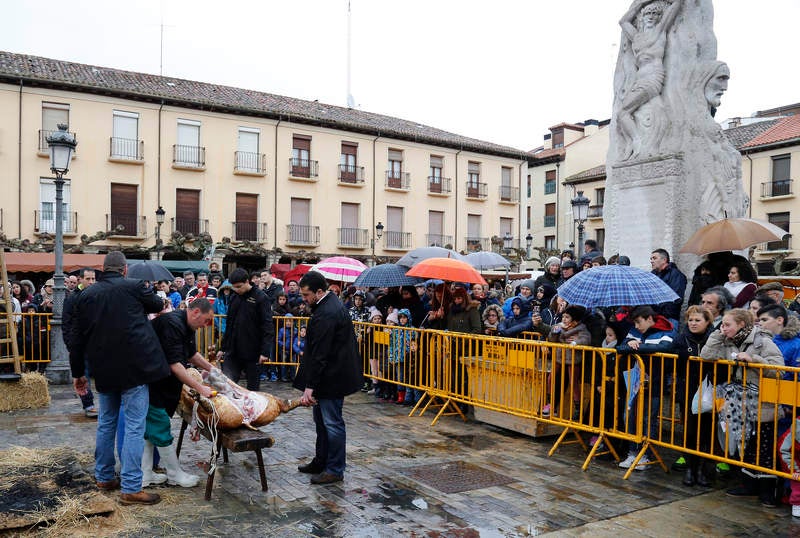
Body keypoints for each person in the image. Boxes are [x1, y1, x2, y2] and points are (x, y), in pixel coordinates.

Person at [69, 251, 169, 506]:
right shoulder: (133, 286)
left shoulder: (85, 295)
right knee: (135, 426)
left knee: (106, 422)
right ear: (124, 270)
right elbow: (158, 306)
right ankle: (131, 487)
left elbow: (76, 339)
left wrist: (78, 373)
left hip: (103, 369)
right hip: (134, 368)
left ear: (103, 270)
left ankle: (103, 476)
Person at [700, 308, 783, 507]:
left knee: (764, 447)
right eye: (723, 324)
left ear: (741, 325)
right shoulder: (727, 341)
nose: (723, 328)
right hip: (740, 401)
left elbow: (779, 369)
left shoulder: (762, 342)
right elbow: (706, 355)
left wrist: (754, 360)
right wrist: (717, 334)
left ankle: (767, 491)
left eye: (727, 324)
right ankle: (748, 485)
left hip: (763, 403)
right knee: (745, 445)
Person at [293, 271, 362, 485]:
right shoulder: (325, 306)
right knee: (321, 422)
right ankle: (321, 460)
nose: (303, 299)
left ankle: (334, 469)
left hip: (332, 378)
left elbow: (321, 354)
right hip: (329, 376)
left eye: (306, 294)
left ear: (319, 291)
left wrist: (309, 387)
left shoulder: (328, 313)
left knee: (331, 423)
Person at [146, 299, 215, 488]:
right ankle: (175, 474)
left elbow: (191, 354)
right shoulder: (172, 324)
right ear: (196, 312)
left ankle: (145, 474)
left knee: (149, 430)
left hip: (161, 383)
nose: (206, 325)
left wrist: (212, 369)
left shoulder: (187, 326)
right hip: (151, 382)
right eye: (207, 320)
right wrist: (200, 388)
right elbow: (175, 364)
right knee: (159, 427)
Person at [616, 0, 684, 159]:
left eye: (654, 13)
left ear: (659, 17)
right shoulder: (637, 37)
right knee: (659, 112)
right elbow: (623, 21)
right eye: (648, 13)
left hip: (653, 76)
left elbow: (677, 4)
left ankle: (636, 142)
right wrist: (641, 3)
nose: (651, 16)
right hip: (640, 80)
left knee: (623, 112)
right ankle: (653, 145)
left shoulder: (660, 31)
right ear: (642, 16)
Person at [615, 305, 677, 471]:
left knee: (648, 419)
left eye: (638, 322)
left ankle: (646, 454)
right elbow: (620, 347)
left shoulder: (668, 329)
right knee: (630, 416)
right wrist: (631, 344)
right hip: (635, 382)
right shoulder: (635, 331)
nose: (636, 326)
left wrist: (637, 346)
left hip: (655, 383)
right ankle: (632, 452)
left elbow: (664, 347)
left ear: (650, 319)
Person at [672, 305, 715, 486]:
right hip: (687, 389)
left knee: (707, 432)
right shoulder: (682, 339)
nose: (693, 323)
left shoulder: (714, 338)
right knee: (690, 431)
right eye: (691, 320)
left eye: (698, 320)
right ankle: (690, 468)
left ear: (707, 322)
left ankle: (704, 470)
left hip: (709, 389)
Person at [218, 268, 273, 391]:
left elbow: (267, 325)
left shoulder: (261, 298)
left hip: (253, 350)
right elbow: (229, 324)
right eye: (234, 287)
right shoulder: (234, 297)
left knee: (253, 389)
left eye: (239, 286)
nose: (237, 290)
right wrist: (223, 347)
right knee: (227, 385)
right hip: (233, 350)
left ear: (247, 281)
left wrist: (265, 352)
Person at [62, 267, 98, 417]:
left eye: (93, 279)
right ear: (80, 279)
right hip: (80, 344)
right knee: (84, 374)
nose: (91, 282)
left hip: (97, 343)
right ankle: (88, 405)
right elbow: (66, 323)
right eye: (88, 279)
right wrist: (70, 344)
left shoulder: (98, 295)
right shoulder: (72, 298)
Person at [650, 248, 687, 321]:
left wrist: (658, 311)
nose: (651, 261)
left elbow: (676, 299)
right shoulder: (652, 275)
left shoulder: (676, 275)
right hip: (653, 318)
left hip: (669, 318)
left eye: (654, 258)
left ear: (664, 260)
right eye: (651, 259)